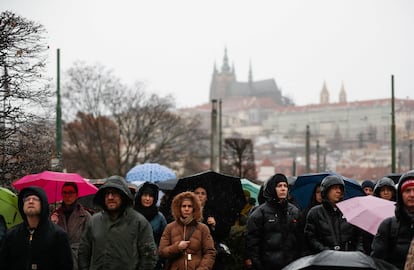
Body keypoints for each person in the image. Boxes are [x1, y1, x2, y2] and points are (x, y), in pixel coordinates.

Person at [78, 175, 157, 270]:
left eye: (115, 193)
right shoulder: (94, 222)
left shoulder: (139, 222)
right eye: (107, 194)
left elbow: (149, 257)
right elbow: (84, 252)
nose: (110, 197)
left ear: (123, 195)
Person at [0, 186, 73, 270]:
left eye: (35, 199)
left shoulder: (58, 235)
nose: (30, 201)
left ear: (43, 204)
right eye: (26, 199)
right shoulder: (12, 235)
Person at [246, 173, 302, 270]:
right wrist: (257, 264)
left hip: (291, 264)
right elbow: (252, 242)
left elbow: (300, 239)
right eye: (279, 186)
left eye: (285, 186)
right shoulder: (259, 213)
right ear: (272, 188)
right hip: (268, 265)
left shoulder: (294, 211)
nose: (283, 189)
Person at [158, 191, 216, 270]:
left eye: (190, 206)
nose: (186, 209)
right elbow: (162, 251)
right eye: (183, 206)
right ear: (179, 208)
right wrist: (177, 247)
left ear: (194, 208)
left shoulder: (203, 228)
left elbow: (210, 252)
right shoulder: (170, 228)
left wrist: (202, 268)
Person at [304, 175, 361, 253]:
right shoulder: (315, 213)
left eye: (340, 188)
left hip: (348, 259)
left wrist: (356, 253)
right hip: (323, 259)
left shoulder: (350, 211)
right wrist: (326, 252)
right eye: (335, 188)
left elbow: (359, 238)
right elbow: (310, 238)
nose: (338, 191)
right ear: (326, 191)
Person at [371, 170, 414, 269]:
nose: (412, 195)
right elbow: (377, 262)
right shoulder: (388, 226)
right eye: (407, 191)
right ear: (400, 195)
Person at [50, 182, 91, 270]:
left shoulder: (85, 216)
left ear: (77, 195)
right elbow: (49, 240)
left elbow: (90, 242)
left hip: (79, 261)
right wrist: (52, 224)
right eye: (65, 192)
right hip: (58, 260)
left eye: (71, 192)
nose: (67, 195)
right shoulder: (55, 215)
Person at [194, 185, 231, 270]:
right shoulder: (186, 210)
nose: (200, 195)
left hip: (210, 252)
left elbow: (225, 232)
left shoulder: (214, 212)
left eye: (203, 194)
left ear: (206, 198)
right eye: (197, 193)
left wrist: (215, 224)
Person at [134, 182, 167, 270]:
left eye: (151, 196)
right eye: (145, 195)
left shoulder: (159, 217)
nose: (147, 199)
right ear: (140, 196)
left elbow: (164, 240)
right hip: (133, 260)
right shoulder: (131, 215)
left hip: (153, 261)